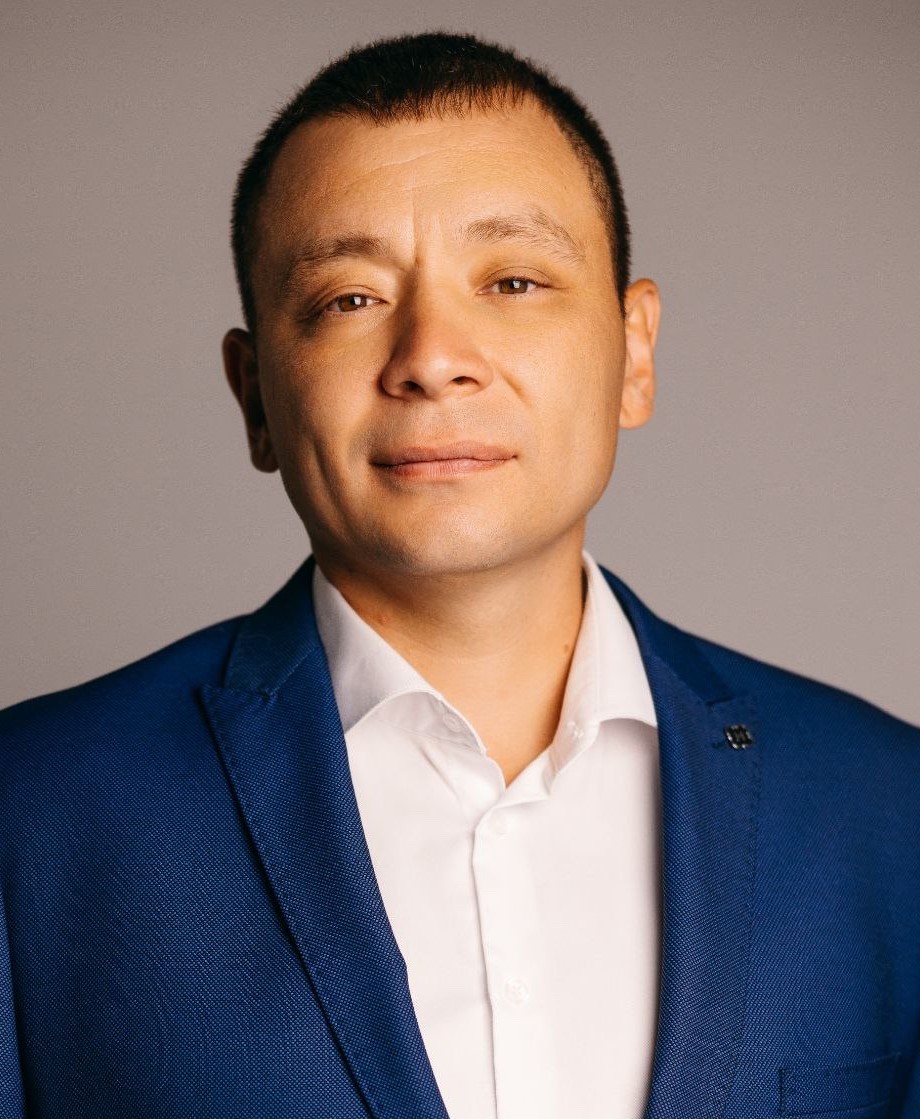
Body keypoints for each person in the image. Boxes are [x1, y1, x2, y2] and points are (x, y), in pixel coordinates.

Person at [0, 30, 918, 1119]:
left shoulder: (883, 805)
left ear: (634, 352)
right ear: (254, 397)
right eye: (347, 299)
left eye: (514, 281)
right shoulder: (34, 812)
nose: (432, 356)